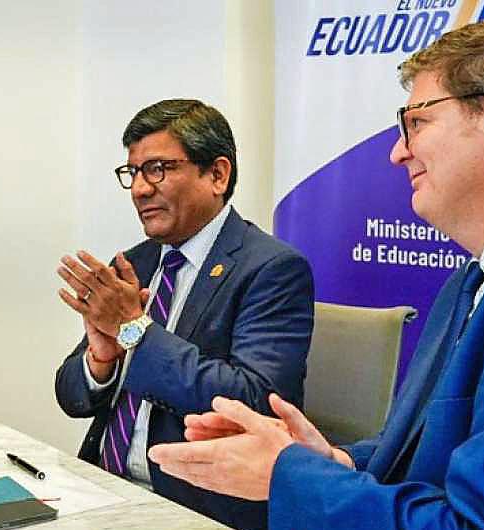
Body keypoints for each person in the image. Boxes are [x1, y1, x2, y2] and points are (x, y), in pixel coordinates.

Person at [149, 17, 484, 530]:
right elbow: (429, 458)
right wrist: (329, 461)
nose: (397, 153)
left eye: (416, 123)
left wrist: (285, 475)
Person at [53, 99, 314, 529]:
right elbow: (71, 397)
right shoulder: (135, 264)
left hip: (194, 507)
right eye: (133, 172)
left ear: (217, 174)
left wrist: (134, 330)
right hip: (103, 490)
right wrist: (101, 360)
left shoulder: (271, 269)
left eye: (157, 169)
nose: (140, 189)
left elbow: (255, 403)